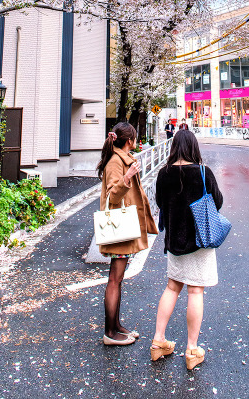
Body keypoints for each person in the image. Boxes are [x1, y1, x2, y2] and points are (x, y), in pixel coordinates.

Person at [152, 130, 223, 370]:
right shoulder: (203, 173)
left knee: (172, 287)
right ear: (194, 147)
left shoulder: (164, 173)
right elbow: (218, 201)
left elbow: (160, 202)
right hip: (199, 241)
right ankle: (192, 349)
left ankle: (158, 341)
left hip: (174, 241)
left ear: (174, 147)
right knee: (195, 291)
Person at [97, 122, 159, 346]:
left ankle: (116, 326)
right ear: (129, 140)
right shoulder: (116, 162)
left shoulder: (122, 159)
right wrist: (127, 177)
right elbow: (113, 195)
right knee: (115, 279)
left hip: (124, 227)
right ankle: (110, 332)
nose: (136, 141)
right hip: (119, 228)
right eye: (135, 138)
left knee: (118, 279)